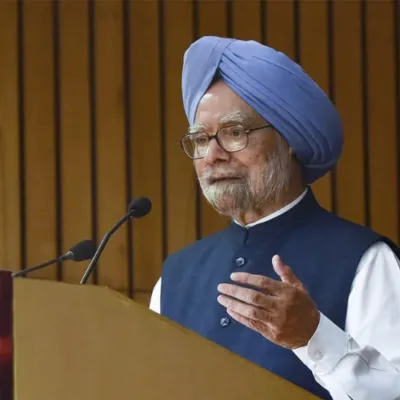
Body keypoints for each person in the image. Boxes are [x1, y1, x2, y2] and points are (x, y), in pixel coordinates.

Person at [149, 36, 400, 399]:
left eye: (234, 133)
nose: (214, 155)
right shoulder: (176, 276)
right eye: (201, 140)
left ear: (289, 141)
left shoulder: (365, 261)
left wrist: (314, 337)